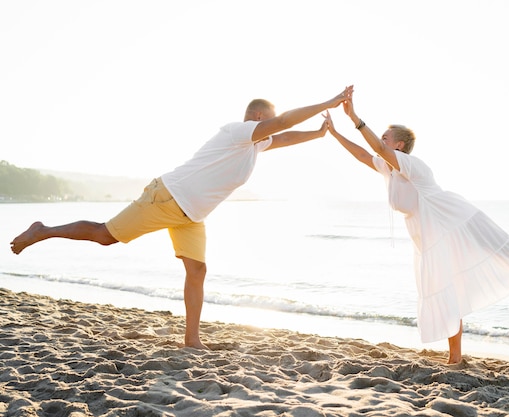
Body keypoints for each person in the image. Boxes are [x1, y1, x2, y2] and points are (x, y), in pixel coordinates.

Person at [10, 85, 354, 349]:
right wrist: (327, 102)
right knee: (105, 235)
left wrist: (318, 134)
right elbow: (281, 125)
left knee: (197, 270)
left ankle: (191, 339)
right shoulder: (237, 131)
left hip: (191, 214)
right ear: (259, 117)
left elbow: (282, 136)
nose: (271, 129)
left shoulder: (254, 145)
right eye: (270, 120)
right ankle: (43, 230)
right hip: (167, 197)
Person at [323, 97, 509, 364]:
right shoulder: (389, 168)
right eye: (383, 137)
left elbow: (374, 147)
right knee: (447, 290)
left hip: (455, 219)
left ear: (398, 146)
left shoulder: (411, 164)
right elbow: (364, 155)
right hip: (430, 234)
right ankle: (456, 358)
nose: (382, 140)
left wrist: (354, 117)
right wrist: (334, 133)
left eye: (386, 137)